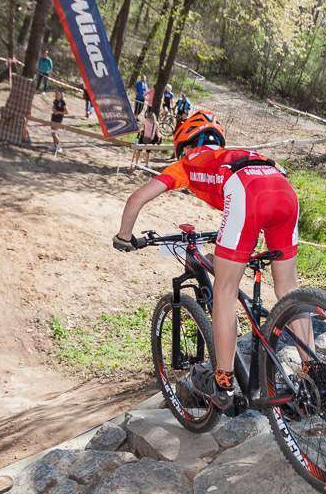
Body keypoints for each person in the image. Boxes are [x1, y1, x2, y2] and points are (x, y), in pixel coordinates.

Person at [113, 109, 308, 408]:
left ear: (185, 145)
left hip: (245, 193)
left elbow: (136, 198)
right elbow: (268, 181)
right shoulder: (236, 153)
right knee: (288, 288)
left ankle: (224, 384)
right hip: (283, 190)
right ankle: (312, 370)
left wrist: (124, 237)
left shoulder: (186, 163)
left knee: (225, 291)